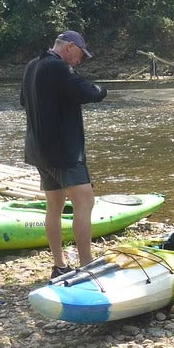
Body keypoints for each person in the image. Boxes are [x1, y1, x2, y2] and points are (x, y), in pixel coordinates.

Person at [20, 30, 107, 279]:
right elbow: (89, 92)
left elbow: (23, 101)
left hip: (39, 151)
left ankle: (59, 264)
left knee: (54, 207)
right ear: (70, 47)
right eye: (80, 54)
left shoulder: (32, 66)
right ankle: (87, 264)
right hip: (64, 152)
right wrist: (103, 90)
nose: (80, 60)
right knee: (85, 202)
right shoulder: (59, 68)